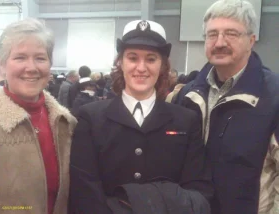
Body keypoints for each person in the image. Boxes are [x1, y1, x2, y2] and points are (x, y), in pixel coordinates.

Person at [69, 20, 213, 214]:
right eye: (133, 58)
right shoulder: (90, 118)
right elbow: (85, 192)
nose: (141, 67)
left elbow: (198, 191)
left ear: (163, 66)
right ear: (120, 62)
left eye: (151, 59)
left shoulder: (186, 121)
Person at [176, 0, 279, 213]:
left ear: (251, 40)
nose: (220, 42)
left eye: (231, 33)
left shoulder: (274, 96)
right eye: (212, 34)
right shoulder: (188, 95)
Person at [0, 18, 77, 214]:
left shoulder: (67, 124)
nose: (31, 67)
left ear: (50, 64)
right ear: (2, 64)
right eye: (20, 57)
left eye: (40, 58)